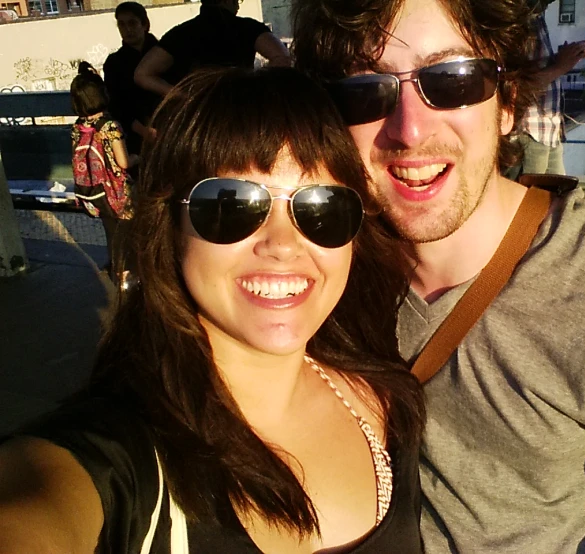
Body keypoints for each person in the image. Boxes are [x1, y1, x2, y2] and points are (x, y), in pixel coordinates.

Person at [292, 0, 585, 552]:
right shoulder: (319, 263)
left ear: (509, 101)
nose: (409, 129)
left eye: (451, 79)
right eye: (365, 89)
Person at [0, 67, 426, 553]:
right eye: (232, 203)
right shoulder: (121, 455)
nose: (284, 245)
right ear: (171, 225)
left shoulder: (388, 405)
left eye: (323, 205)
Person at [134, 0, 291, 98]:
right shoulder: (247, 28)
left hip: (200, 115)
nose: (237, 5)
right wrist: (252, 87)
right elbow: (282, 58)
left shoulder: (182, 33)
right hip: (239, 109)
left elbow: (142, 74)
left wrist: (182, 95)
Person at [70, 61, 134, 285]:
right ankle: (128, 276)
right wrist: (142, 157)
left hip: (94, 192)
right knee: (130, 232)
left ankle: (117, 270)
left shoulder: (79, 125)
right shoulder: (109, 125)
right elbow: (124, 162)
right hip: (118, 191)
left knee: (112, 232)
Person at [514, 0, 585, 176]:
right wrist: (562, 66)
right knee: (531, 201)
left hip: (550, 130)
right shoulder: (518, 23)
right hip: (529, 131)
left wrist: (567, 57)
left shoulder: (537, 19)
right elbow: (520, 85)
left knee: (558, 197)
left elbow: (539, 65)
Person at [103, 1, 161, 157]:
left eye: (132, 23)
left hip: (170, 129)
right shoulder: (114, 63)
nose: (127, 29)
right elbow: (116, 105)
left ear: (145, 24)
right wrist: (143, 131)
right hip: (136, 139)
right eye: (121, 24)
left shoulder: (164, 54)